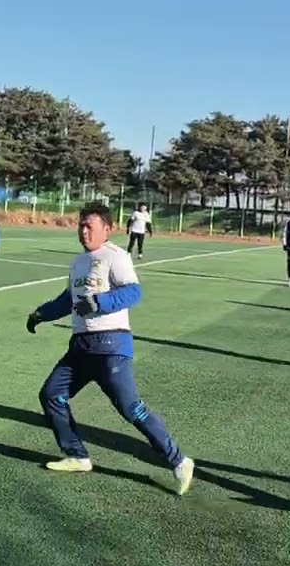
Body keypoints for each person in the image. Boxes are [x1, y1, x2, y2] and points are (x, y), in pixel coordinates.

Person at [25, 202, 195, 495]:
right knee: (51, 394)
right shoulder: (78, 263)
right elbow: (69, 300)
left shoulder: (116, 256)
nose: (84, 231)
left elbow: (133, 291)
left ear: (107, 229)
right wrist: (42, 313)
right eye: (81, 225)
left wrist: (99, 302)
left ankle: (179, 461)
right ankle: (76, 455)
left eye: (89, 226)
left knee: (130, 408)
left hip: (110, 346)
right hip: (80, 347)